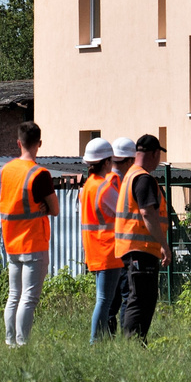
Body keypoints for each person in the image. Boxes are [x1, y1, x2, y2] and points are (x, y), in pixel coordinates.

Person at [0, 121, 58, 347]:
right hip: (33, 242)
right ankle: (22, 345)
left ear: (18, 143)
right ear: (39, 144)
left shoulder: (3, 172)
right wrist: (43, 205)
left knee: (14, 296)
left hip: (11, 242)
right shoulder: (39, 174)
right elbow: (56, 209)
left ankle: (10, 343)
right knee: (28, 299)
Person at [112, 133, 172, 341]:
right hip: (141, 248)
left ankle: (133, 342)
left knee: (134, 298)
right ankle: (134, 344)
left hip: (130, 249)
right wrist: (163, 244)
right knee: (141, 299)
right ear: (155, 153)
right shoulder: (144, 179)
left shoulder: (130, 175)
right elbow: (148, 213)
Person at [78, 137, 124, 342]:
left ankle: (100, 340)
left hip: (94, 250)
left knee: (103, 299)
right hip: (109, 251)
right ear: (106, 163)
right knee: (104, 300)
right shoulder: (104, 188)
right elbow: (124, 212)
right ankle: (95, 341)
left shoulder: (88, 186)